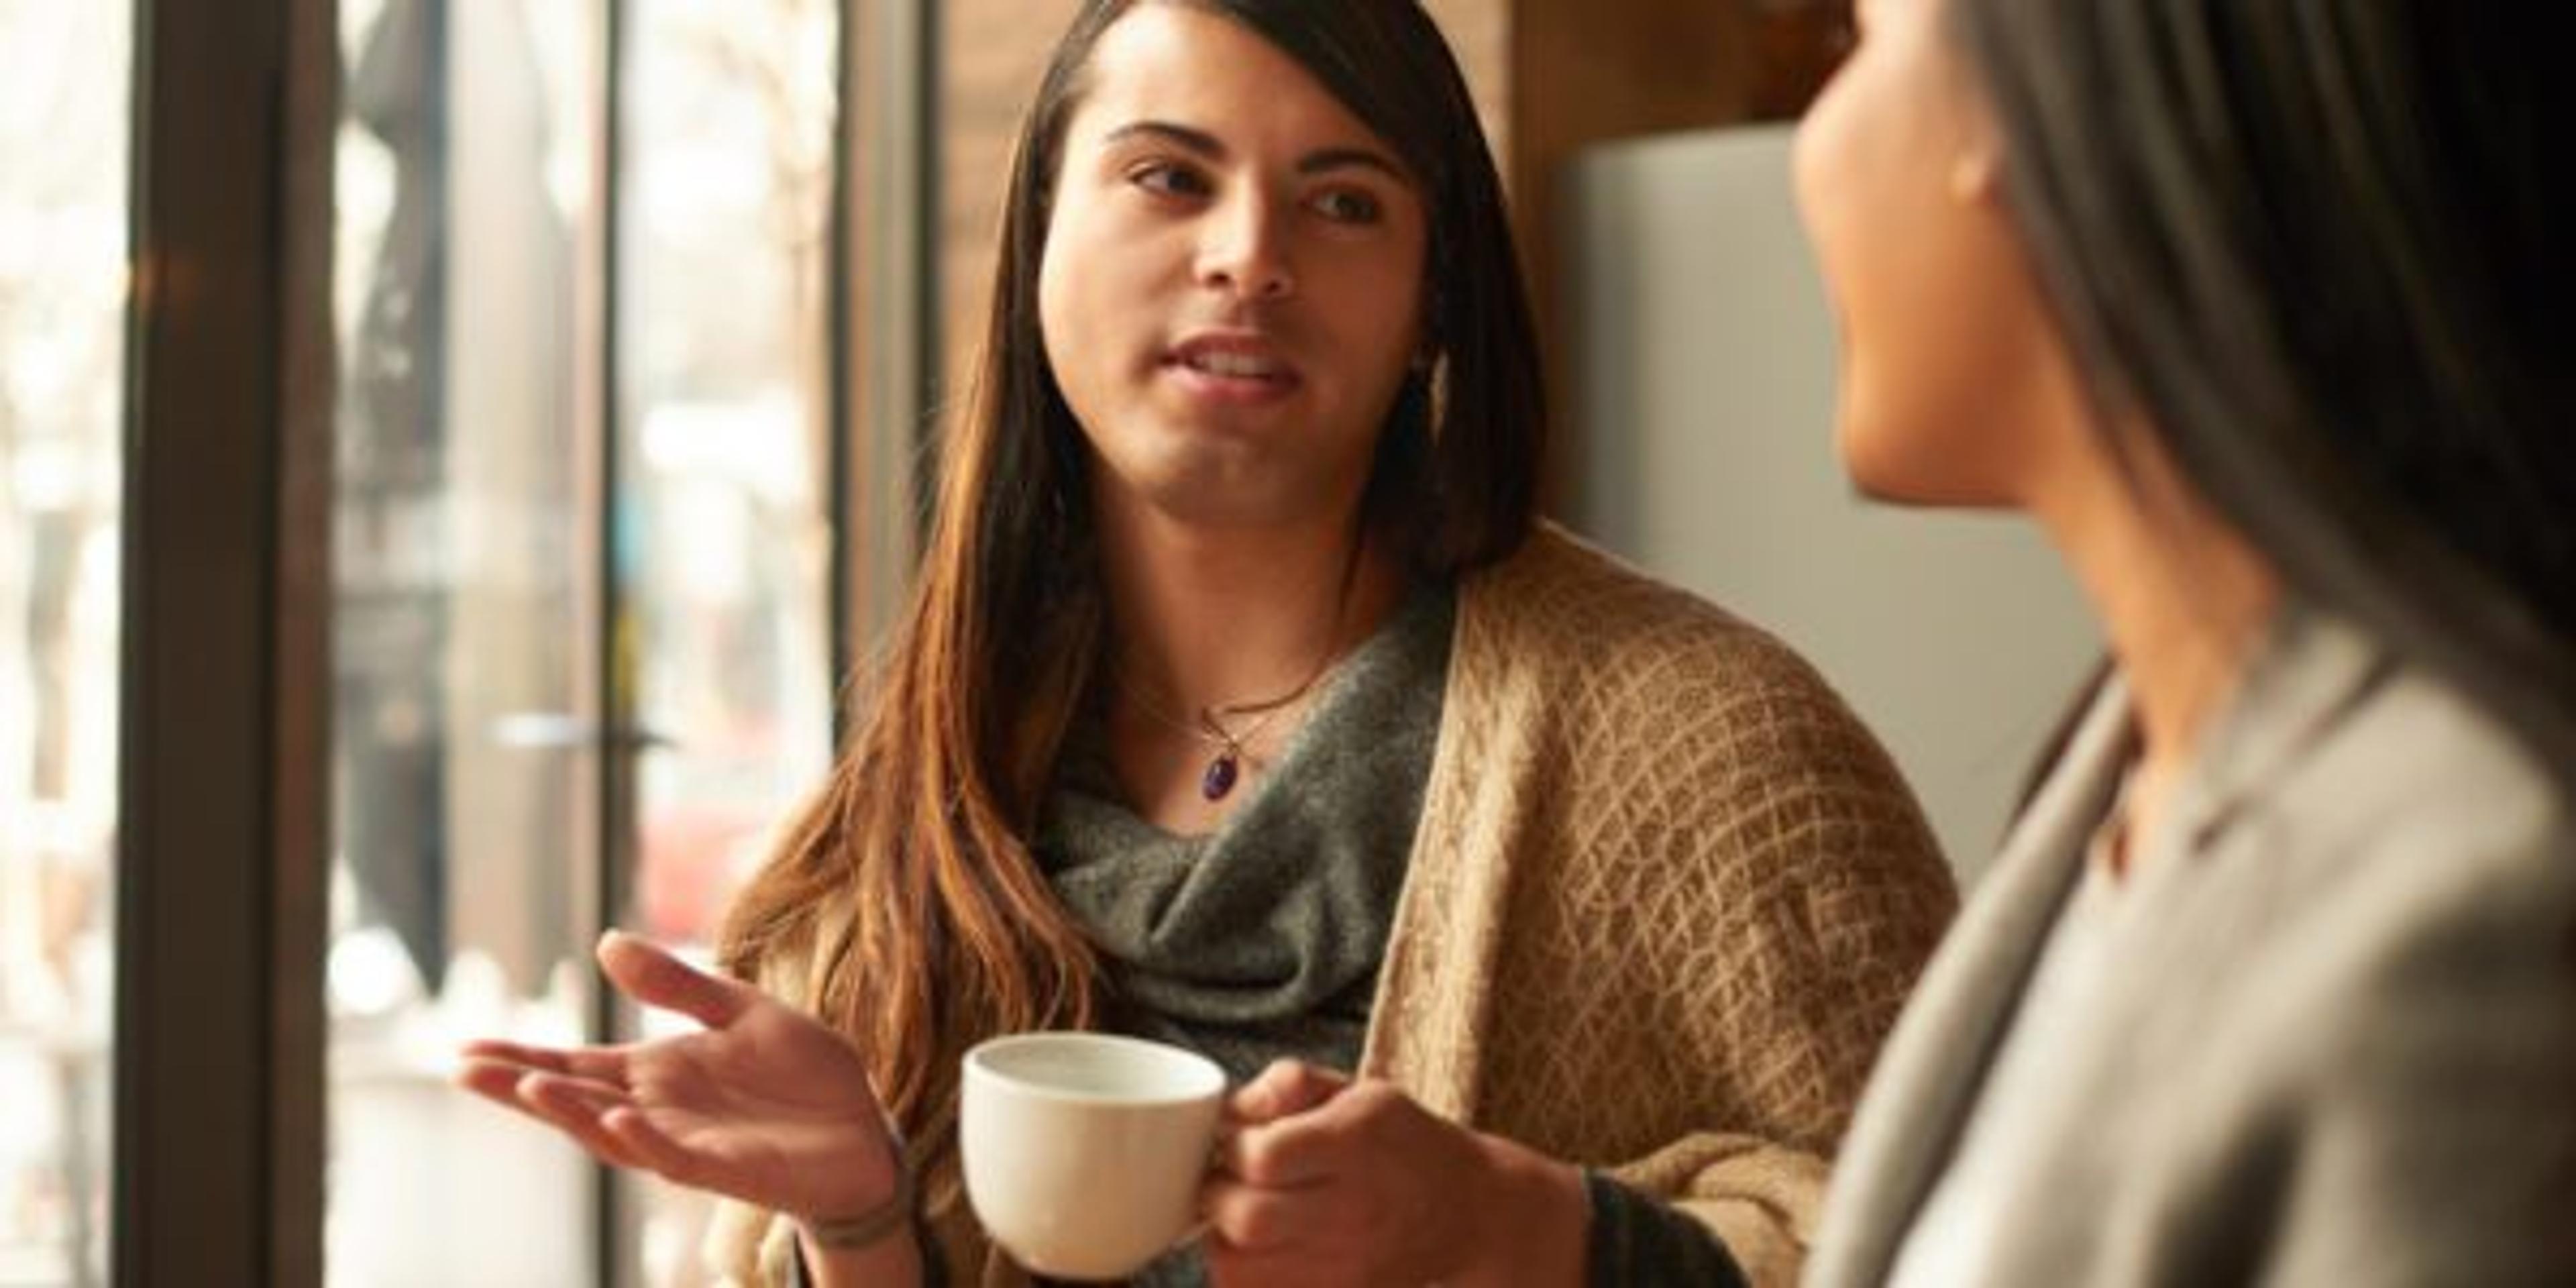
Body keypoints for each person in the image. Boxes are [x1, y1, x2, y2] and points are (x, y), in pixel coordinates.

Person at [457, 1, 1955, 1285]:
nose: (1250, 256)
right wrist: (857, 1222)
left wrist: (1527, 1233)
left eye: (1345, 199)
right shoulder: (906, 809)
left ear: (1436, 300)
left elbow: (1983, 1235)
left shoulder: (1720, 753)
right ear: (1042, 235)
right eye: (1170, 178)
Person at [1773, 0, 2576, 1283]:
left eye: (1855, 45)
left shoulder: (2472, 907)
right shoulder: (2127, 784)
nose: (1814, 143)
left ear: (2020, 93)